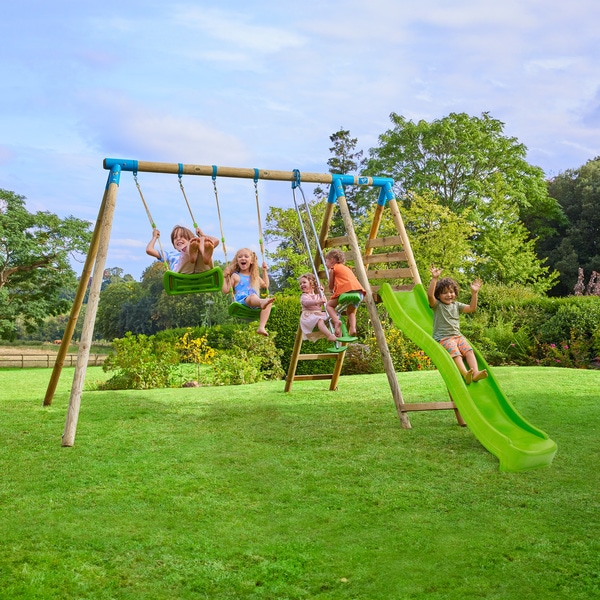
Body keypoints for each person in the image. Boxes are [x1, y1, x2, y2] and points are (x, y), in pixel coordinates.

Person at [427, 265, 488, 384]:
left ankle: (475, 373)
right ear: (438, 295)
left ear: (455, 293)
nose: (449, 295)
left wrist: (474, 293)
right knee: (456, 353)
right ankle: (465, 374)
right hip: (443, 338)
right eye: (445, 293)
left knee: (469, 351)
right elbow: (430, 295)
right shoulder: (437, 305)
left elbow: (471, 308)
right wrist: (434, 279)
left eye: (451, 292)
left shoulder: (456, 305)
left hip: (458, 336)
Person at [222, 248, 275, 336]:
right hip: (242, 301)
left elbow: (265, 285)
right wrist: (224, 277)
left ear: (252, 261)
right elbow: (226, 290)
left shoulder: (255, 277)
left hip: (255, 302)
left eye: (246, 256)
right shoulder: (236, 276)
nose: (243, 258)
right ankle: (261, 302)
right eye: (240, 257)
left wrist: (264, 271)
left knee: (269, 303)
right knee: (253, 296)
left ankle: (261, 327)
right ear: (237, 261)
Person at [324, 249, 366, 338]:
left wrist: (331, 290)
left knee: (329, 306)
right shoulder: (347, 268)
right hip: (359, 293)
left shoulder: (333, 269)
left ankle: (336, 321)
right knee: (350, 312)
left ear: (331, 260)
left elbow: (331, 286)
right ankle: (353, 329)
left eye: (326, 261)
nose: (325, 264)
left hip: (346, 290)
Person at [146, 225, 219, 273]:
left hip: (201, 271)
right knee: (188, 250)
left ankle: (204, 255)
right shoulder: (170, 254)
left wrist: (202, 235)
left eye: (182, 236)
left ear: (190, 240)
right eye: (175, 238)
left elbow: (216, 241)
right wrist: (154, 237)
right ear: (174, 245)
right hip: (181, 273)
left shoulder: (196, 247)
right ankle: (192, 253)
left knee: (202, 244)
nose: (178, 239)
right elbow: (149, 250)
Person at [298, 273, 338, 342]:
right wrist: (317, 301)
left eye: (304, 282)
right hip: (308, 316)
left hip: (317, 314)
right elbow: (306, 303)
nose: (302, 285)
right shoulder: (304, 296)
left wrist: (321, 293)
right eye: (300, 284)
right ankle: (329, 336)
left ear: (311, 283)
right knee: (320, 320)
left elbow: (324, 301)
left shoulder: (317, 295)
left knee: (334, 318)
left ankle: (337, 335)